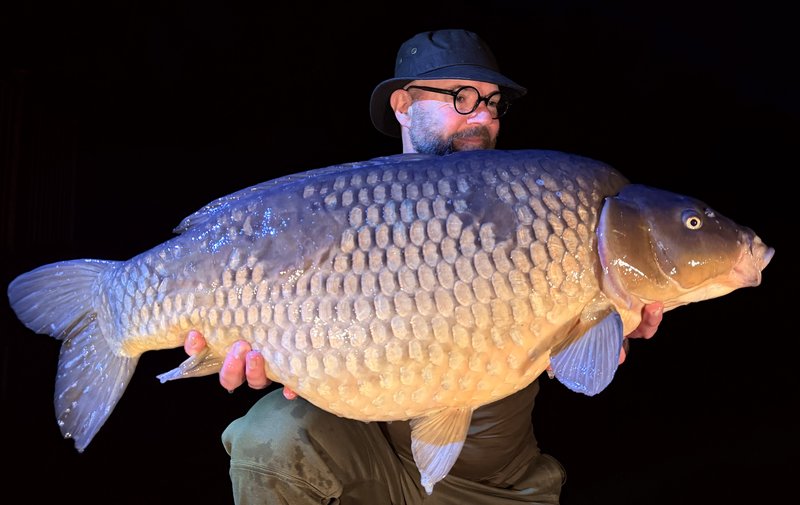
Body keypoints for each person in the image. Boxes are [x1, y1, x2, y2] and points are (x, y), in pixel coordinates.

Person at [183, 29, 664, 504]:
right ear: (403, 106)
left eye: (494, 103)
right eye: (461, 96)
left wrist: (610, 327)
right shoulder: (344, 214)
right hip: (372, 465)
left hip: (495, 487)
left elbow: (574, 362)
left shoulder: (528, 204)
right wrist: (264, 350)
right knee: (266, 437)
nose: (483, 117)